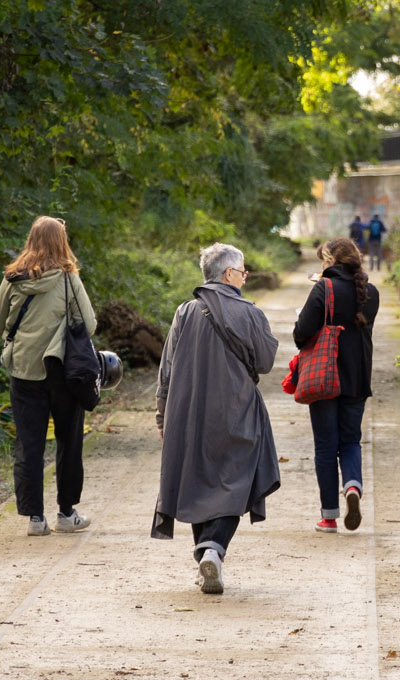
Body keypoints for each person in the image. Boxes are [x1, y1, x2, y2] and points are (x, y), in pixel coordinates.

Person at [152, 243, 281, 595]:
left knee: (197, 481)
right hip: (237, 409)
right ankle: (214, 549)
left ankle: (206, 555)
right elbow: (266, 361)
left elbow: (167, 368)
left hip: (188, 412)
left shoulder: (185, 312)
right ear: (228, 275)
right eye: (242, 271)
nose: (245, 276)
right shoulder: (249, 312)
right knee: (236, 479)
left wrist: (163, 414)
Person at [0, 215, 99, 537]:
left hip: (23, 370)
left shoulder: (12, 278)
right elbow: (88, 324)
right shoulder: (67, 279)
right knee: (69, 440)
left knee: (29, 444)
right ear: (61, 241)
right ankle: (66, 513)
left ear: (31, 239)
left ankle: (35, 519)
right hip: (63, 371)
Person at [292, 238, 381, 533]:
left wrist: (303, 319)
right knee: (350, 441)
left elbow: (302, 332)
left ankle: (329, 516)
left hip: (324, 378)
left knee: (326, 446)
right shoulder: (371, 293)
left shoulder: (323, 288)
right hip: (356, 379)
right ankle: (353, 486)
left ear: (329, 260)